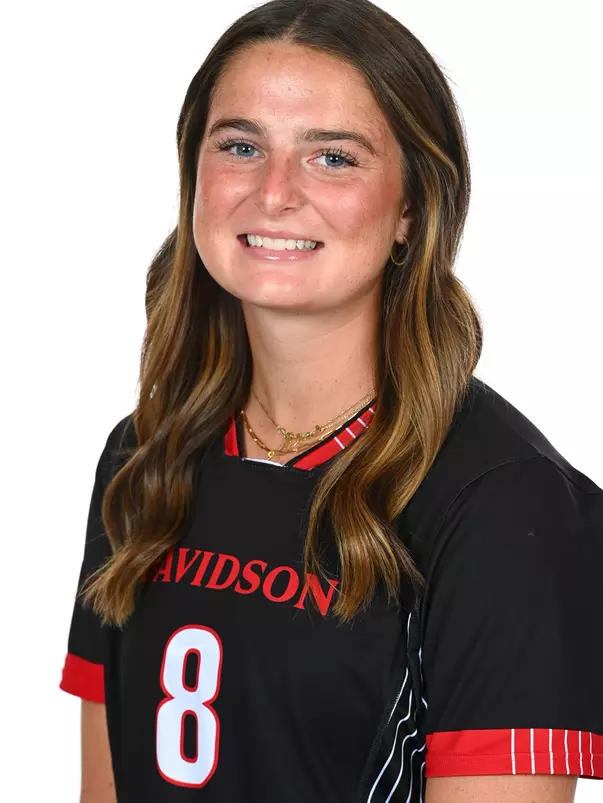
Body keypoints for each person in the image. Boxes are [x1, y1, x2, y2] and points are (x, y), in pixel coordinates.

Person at [59, 1, 603, 801]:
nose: (273, 193)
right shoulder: (144, 454)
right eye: (240, 146)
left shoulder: (500, 502)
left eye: (333, 159)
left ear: (412, 209)